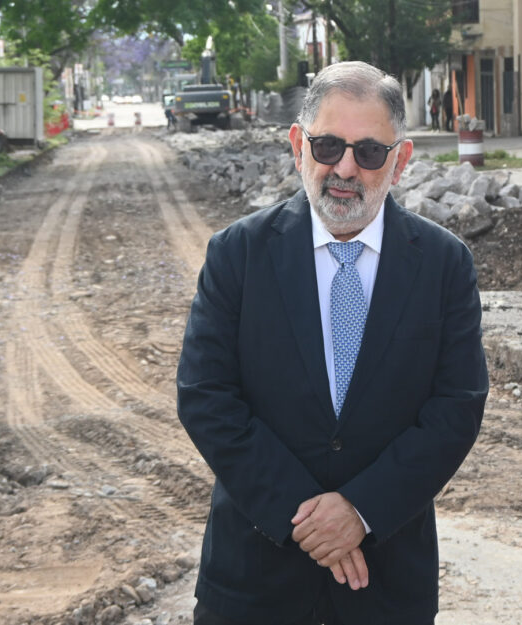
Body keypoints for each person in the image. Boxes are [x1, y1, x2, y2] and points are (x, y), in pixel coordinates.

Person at [177, 61, 488, 625]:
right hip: (253, 584)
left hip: (385, 585)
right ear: (299, 145)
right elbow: (206, 397)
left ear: (401, 161)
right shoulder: (237, 254)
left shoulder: (444, 264)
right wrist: (311, 520)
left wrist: (362, 511)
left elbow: (456, 407)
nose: (345, 168)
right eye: (327, 147)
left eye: (369, 152)